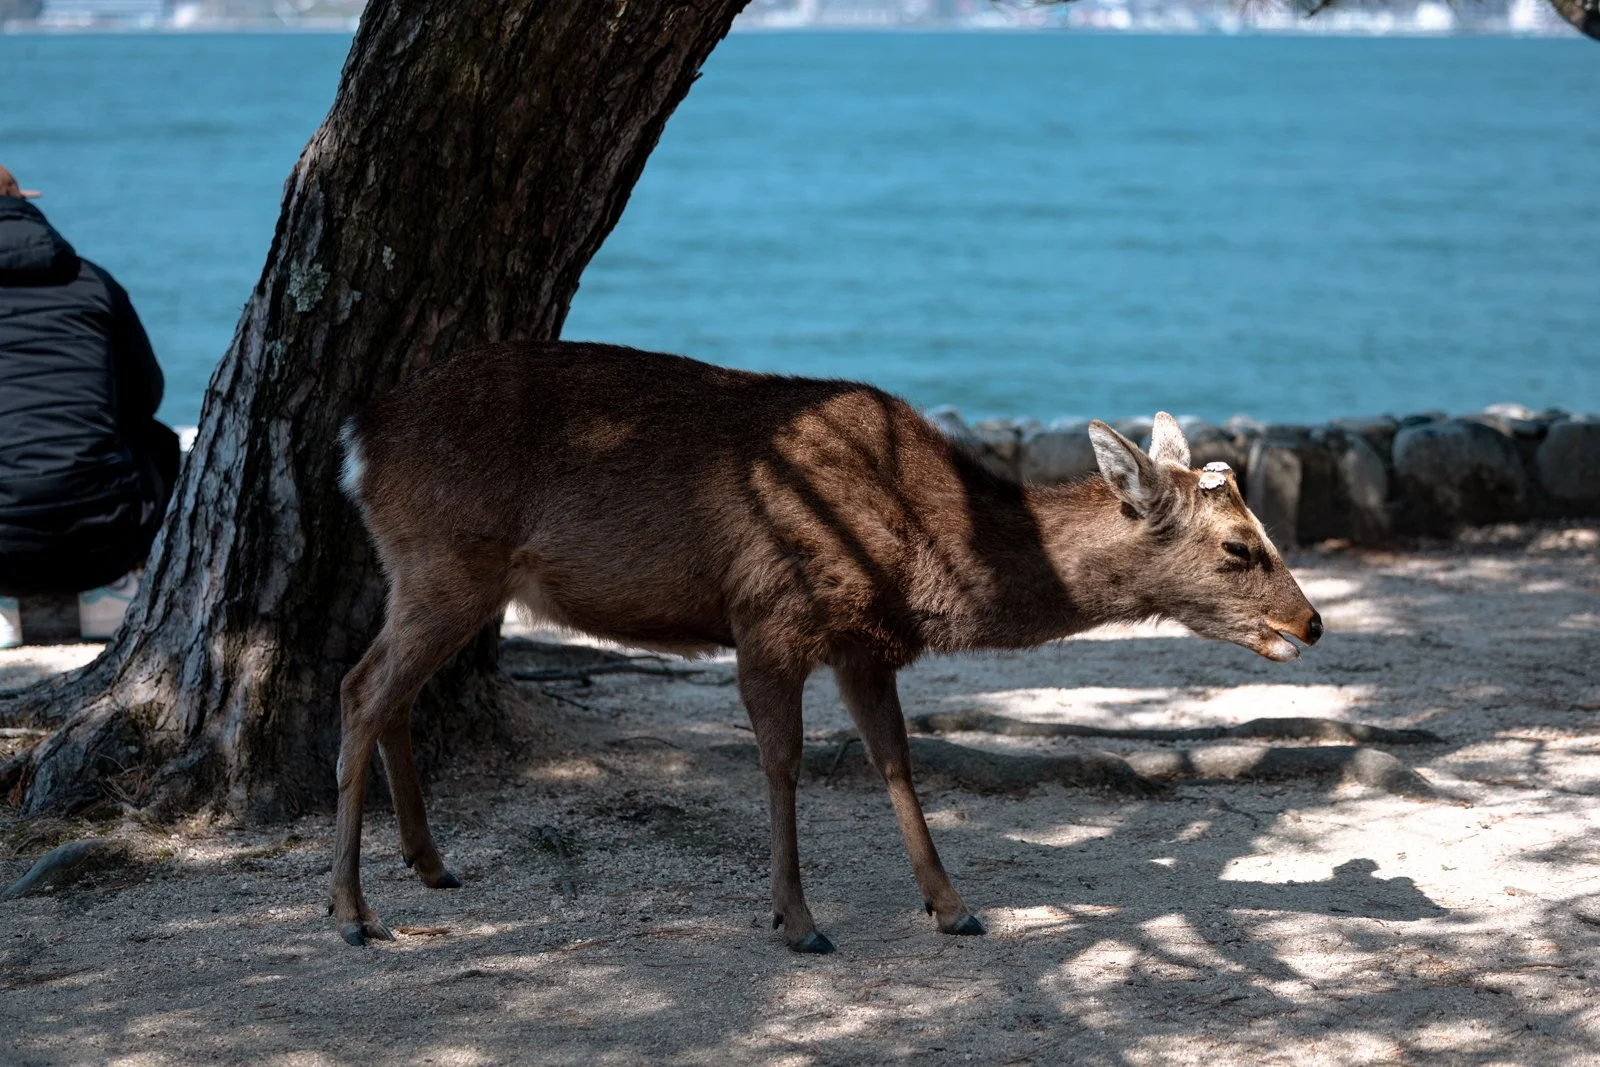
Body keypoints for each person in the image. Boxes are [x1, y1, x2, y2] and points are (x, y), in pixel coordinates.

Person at [0, 165, 179, 648]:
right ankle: (121, 588)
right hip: (105, 542)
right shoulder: (92, 281)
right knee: (159, 441)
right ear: (24, 206)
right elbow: (148, 396)